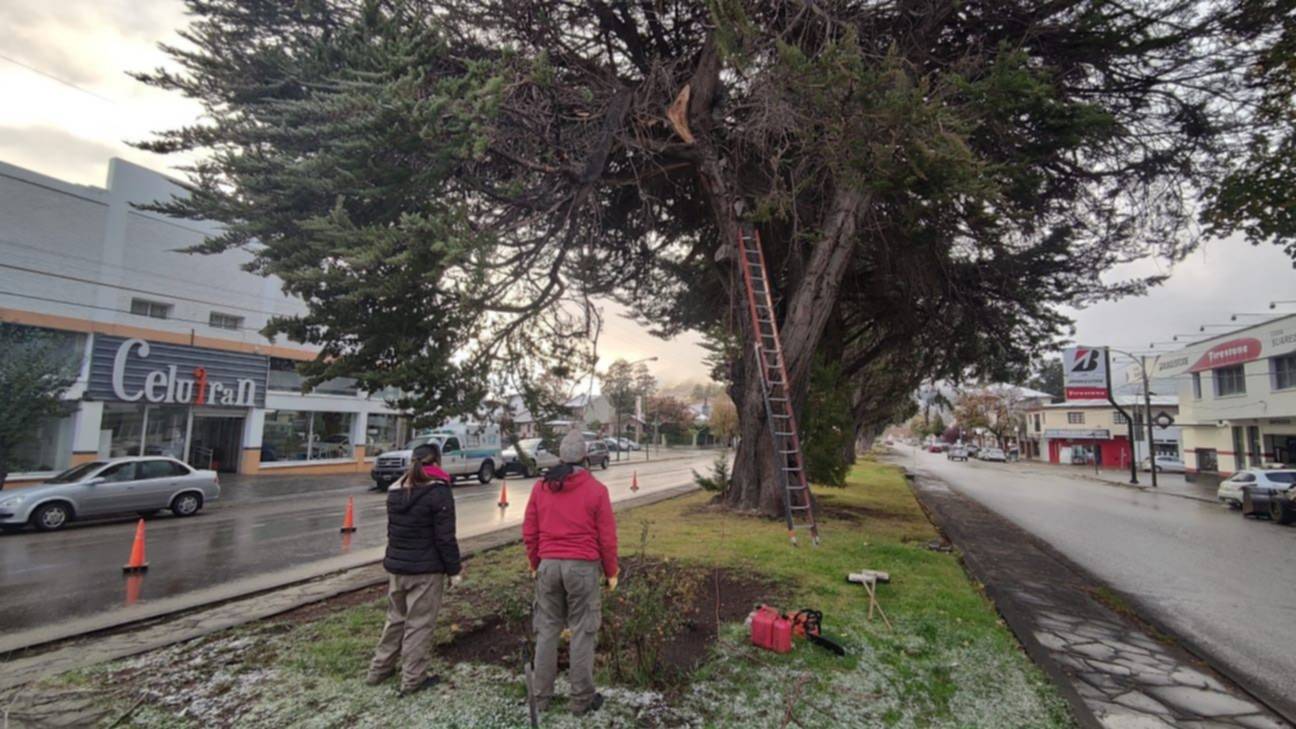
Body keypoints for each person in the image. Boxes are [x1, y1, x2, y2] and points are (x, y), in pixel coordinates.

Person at [522, 429, 618, 715]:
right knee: (582, 631)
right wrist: (611, 571)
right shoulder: (596, 490)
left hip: (548, 565)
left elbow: (529, 531)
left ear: (560, 457)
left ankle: (540, 697)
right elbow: (607, 538)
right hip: (582, 567)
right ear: (586, 457)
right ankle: (581, 699)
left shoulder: (541, 487)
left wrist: (535, 563)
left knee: (547, 630)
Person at [366, 443, 461, 695]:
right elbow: (445, 537)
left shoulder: (396, 489)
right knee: (419, 624)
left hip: (397, 567)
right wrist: (454, 570)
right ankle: (413, 679)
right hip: (426, 571)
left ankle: (379, 669)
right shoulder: (439, 491)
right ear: (437, 461)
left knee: (395, 620)